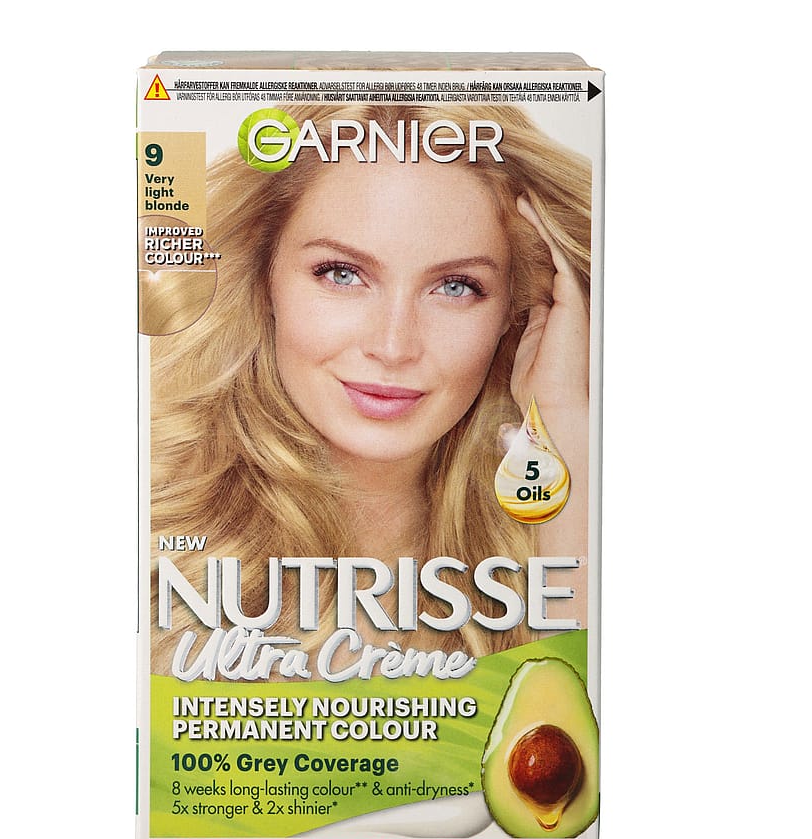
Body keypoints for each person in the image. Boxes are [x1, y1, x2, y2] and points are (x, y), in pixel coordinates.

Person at [148, 103, 591, 674]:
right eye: (341, 274)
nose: (393, 345)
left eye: (456, 286)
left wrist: (561, 420)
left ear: (518, 310)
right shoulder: (152, 550)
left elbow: (571, 720)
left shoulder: (561, 548)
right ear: (263, 277)